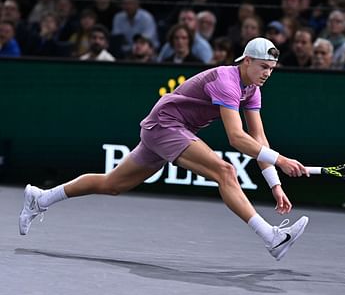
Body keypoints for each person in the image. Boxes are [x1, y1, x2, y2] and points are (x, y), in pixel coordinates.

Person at [19, 37, 310, 261]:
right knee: (225, 171)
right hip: (165, 125)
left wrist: (275, 183)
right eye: (263, 67)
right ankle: (271, 238)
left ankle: (41, 198)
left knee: (112, 184)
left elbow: (258, 137)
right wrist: (282, 160)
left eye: (271, 69)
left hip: (169, 130)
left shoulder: (252, 90)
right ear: (246, 61)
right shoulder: (226, 80)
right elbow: (237, 138)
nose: (267, 74)